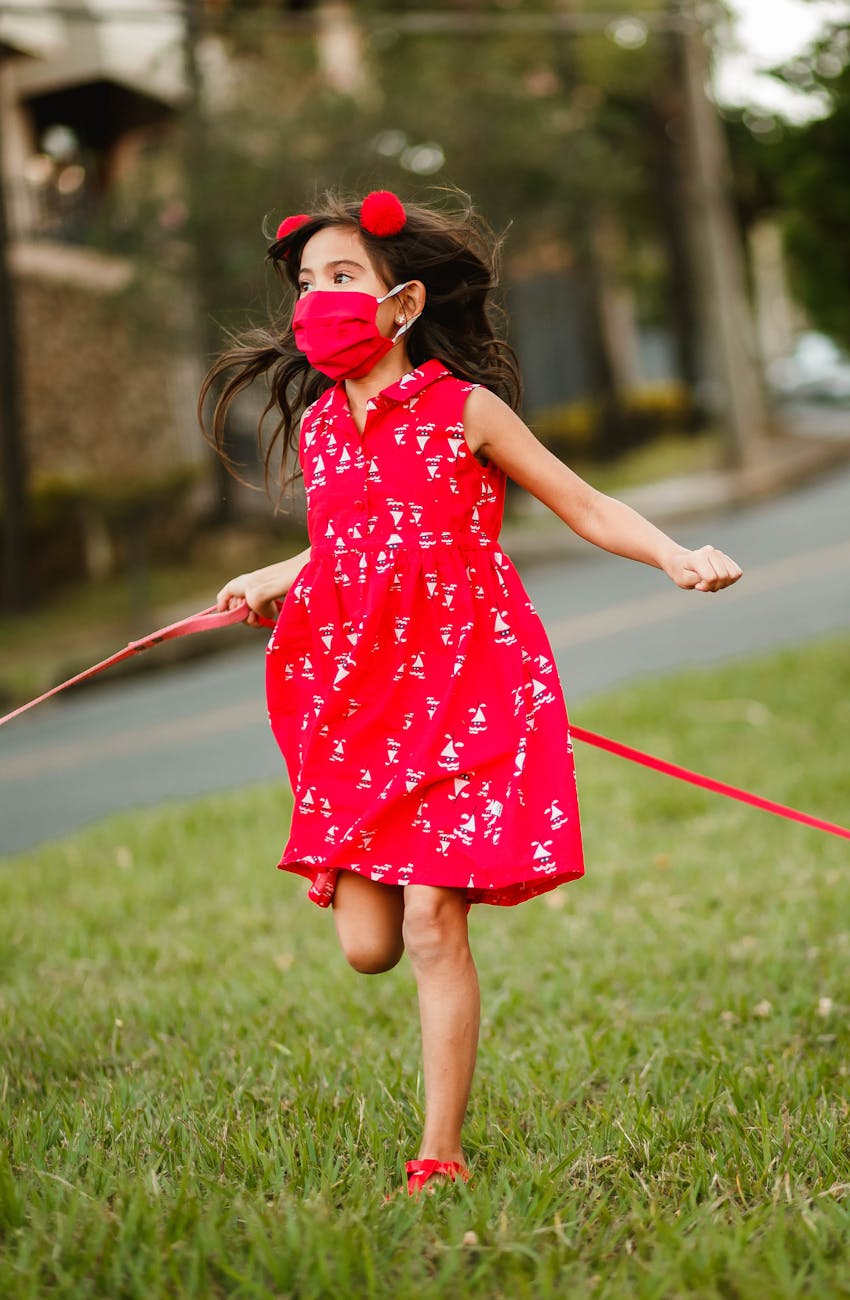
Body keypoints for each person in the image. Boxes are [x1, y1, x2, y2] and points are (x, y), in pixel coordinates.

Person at [199, 188, 742, 1196]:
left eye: (343, 279)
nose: (318, 299)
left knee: (427, 927)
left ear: (401, 305)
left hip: (465, 692)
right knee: (367, 945)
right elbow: (350, 539)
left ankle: (438, 1155)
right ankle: (406, 893)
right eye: (308, 282)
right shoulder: (321, 428)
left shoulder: (465, 411)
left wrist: (674, 554)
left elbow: (581, 502)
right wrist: (281, 577)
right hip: (360, 702)